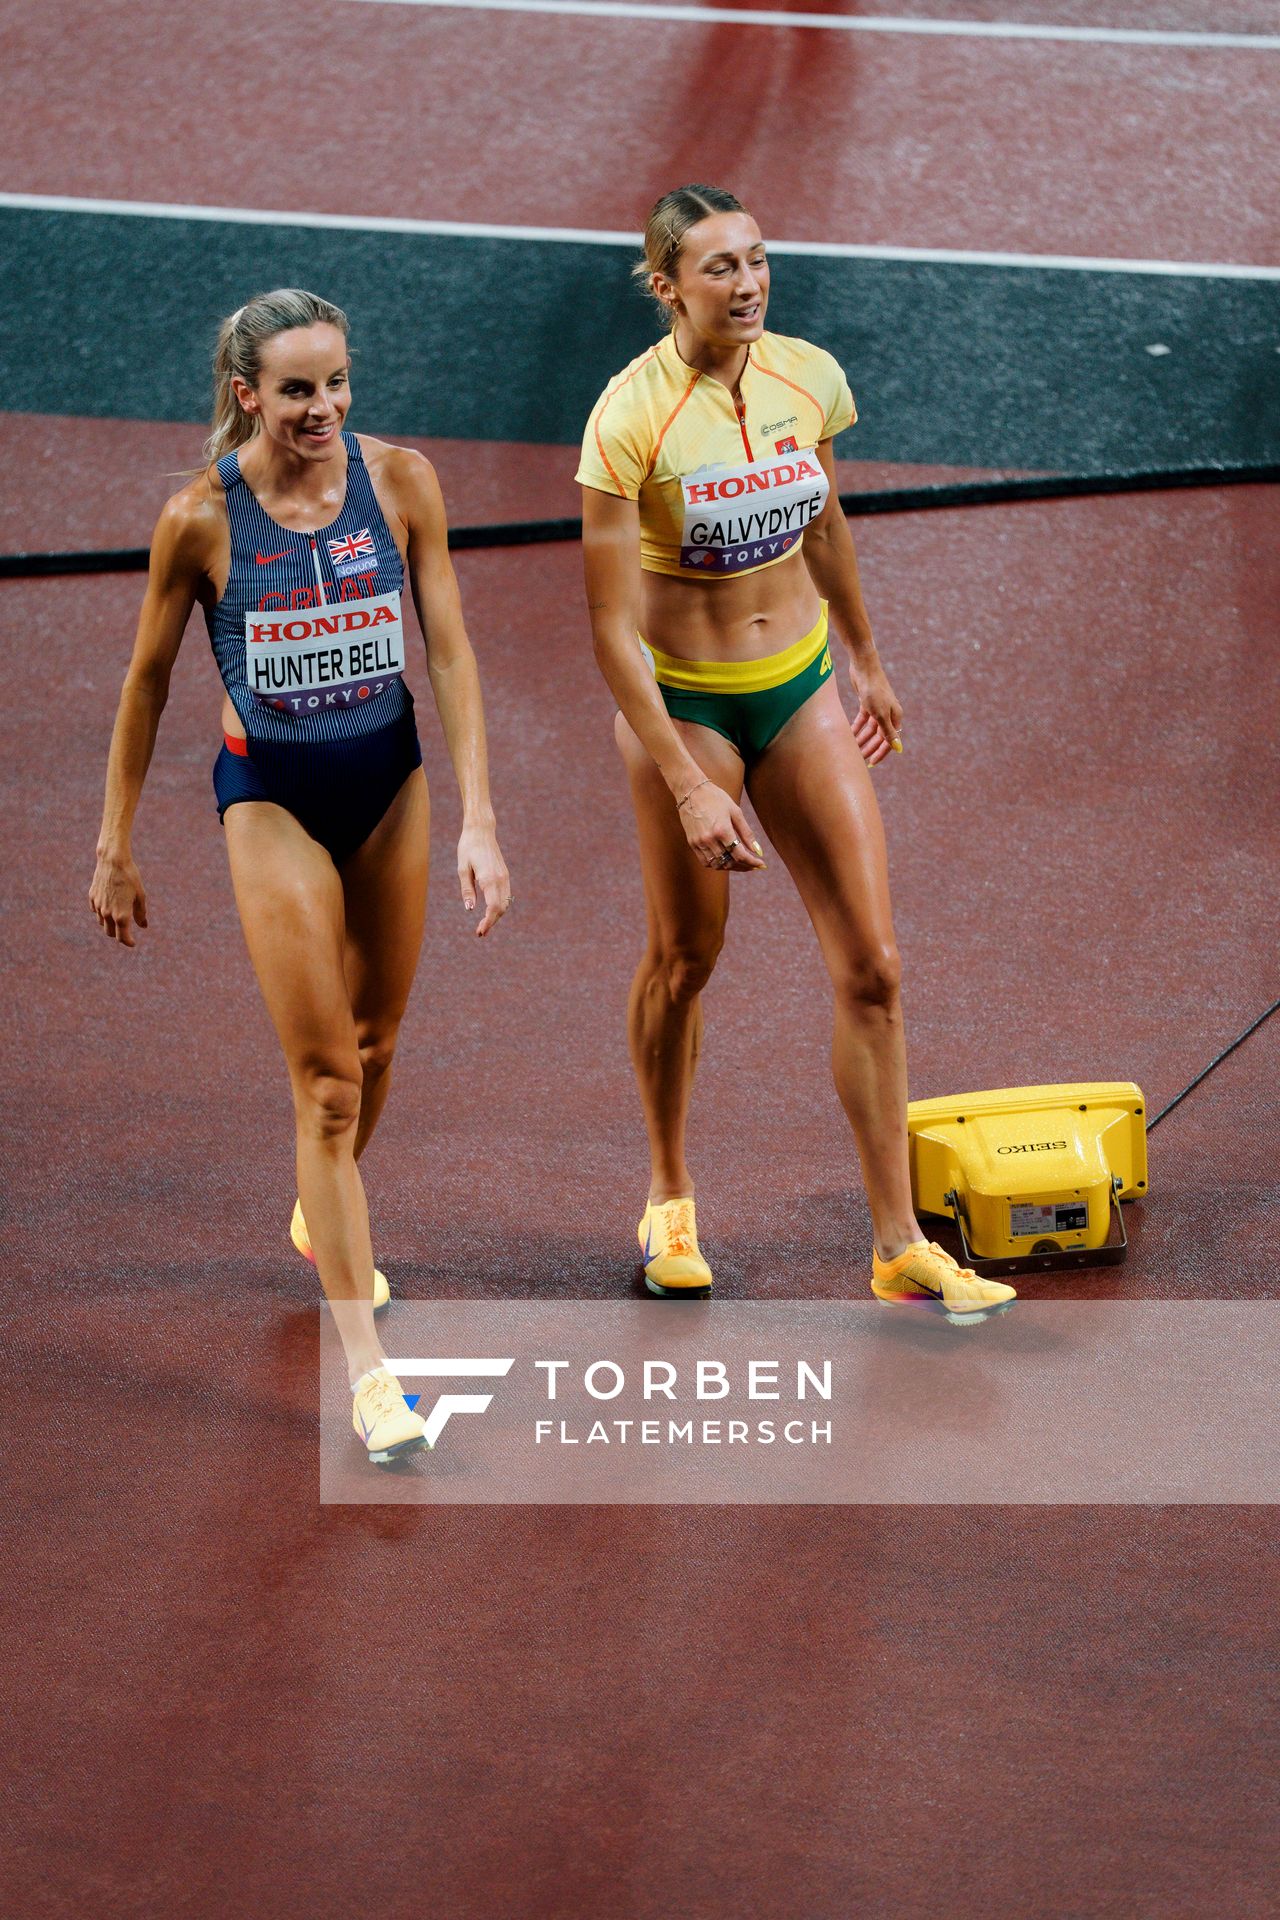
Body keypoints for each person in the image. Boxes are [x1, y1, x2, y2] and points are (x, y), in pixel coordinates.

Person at [577, 186, 1014, 1319]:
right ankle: (669, 1198)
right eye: (719, 267)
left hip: (800, 685)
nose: (748, 285)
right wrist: (685, 783)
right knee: (685, 960)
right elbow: (610, 629)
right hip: (686, 709)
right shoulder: (629, 416)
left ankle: (896, 1243)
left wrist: (865, 657)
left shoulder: (807, 376)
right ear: (667, 286)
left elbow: (822, 519)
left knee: (873, 968)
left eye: (758, 260)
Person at [90, 289, 511, 1459]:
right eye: (294, 390)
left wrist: (478, 818)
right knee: (326, 1086)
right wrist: (115, 842)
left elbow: (450, 649)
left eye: (334, 382)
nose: (321, 406)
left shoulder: (404, 483)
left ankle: (320, 1210)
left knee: (375, 1047)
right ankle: (371, 1379)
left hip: (389, 784)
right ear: (247, 395)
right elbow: (145, 683)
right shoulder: (199, 518)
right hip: (271, 796)